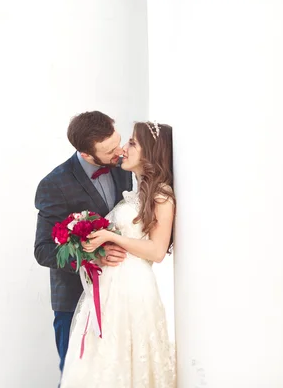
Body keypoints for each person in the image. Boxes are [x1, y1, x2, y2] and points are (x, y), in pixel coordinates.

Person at [60, 121, 176, 388]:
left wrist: (111, 237)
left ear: (151, 152)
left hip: (133, 290)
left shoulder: (162, 196)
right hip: (110, 289)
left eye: (132, 143)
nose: (123, 149)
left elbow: (157, 251)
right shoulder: (135, 193)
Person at [34, 111, 133, 376]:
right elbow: (43, 251)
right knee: (75, 375)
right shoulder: (54, 184)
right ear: (87, 155)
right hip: (74, 298)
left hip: (119, 294)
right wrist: (92, 257)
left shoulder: (124, 167)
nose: (121, 152)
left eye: (119, 141)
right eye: (111, 150)